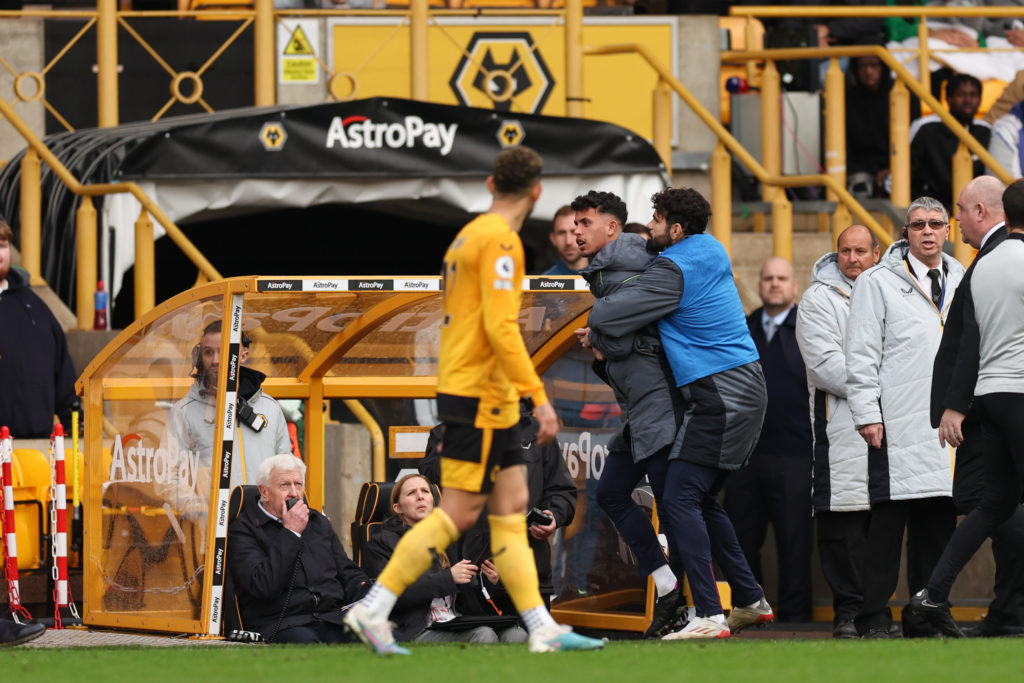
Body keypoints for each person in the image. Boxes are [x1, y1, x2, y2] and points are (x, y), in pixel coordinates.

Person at [344, 146, 603, 655]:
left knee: (509, 513)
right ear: (537, 192)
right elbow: (501, 327)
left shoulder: (465, 237)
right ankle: (373, 608)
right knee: (458, 514)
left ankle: (539, 624)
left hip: (477, 393)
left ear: (489, 184)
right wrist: (539, 398)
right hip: (482, 396)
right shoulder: (501, 242)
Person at [584, 187, 772, 640]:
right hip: (733, 388)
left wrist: (598, 322)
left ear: (676, 228)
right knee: (697, 499)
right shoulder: (705, 251)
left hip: (721, 390)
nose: (649, 225)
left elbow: (608, 315)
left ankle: (708, 613)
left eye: (656, 217)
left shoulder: (673, 267)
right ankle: (747, 598)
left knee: (681, 499)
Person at [570, 190, 688, 638]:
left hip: (662, 406)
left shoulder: (637, 263)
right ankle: (668, 583)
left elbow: (630, 337)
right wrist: (602, 343)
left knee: (678, 512)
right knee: (612, 494)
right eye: (573, 225)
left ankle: (696, 606)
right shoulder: (606, 272)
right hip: (640, 411)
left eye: (584, 222)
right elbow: (619, 347)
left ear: (612, 228)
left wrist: (600, 334)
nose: (576, 232)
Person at [846, 196, 965, 638]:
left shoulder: (962, 278)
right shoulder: (877, 281)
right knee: (885, 531)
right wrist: (866, 414)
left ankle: (923, 615)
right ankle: (872, 617)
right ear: (905, 233)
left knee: (936, 525)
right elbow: (859, 354)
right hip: (893, 423)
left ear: (948, 231)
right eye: (918, 225)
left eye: (936, 223)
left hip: (944, 427)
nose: (928, 231)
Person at [912, 177, 1024, 638]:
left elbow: (972, 341)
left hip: (990, 398)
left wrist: (957, 404)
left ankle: (932, 594)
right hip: (1018, 392)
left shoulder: (985, 265)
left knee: (994, 504)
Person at [795, 225, 881, 639]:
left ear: (877, 254)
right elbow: (825, 367)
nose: (853, 258)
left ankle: (875, 613)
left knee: (880, 527)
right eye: (845, 251)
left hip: (891, 426)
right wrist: (888, 384)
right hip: (838, 431)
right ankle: (847, 613)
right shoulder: (817, 300)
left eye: (861, 251)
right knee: (841, 528)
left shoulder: (893, 292)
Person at [421, 398, 578, 610]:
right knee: (480, 638)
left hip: (528, 565)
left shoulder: (535, 431)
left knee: (530, 639)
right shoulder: (445, 434)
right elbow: (431, 489)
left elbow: (561, 489)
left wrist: (553, 516)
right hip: (469, 567)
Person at [725, 257, 813, 624]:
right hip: (744, 456)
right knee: (742, 541)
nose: (774, 284)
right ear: (759, 285)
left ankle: (795, 618)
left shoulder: (810, 329)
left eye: (782, 278)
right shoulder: (742, 329)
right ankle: (750, 614)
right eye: (768, 278)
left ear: (795, 287)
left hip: (796, 454)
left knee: (795, 544)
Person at [363, 473, 527, 644]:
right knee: (483, 635)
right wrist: (447, 578)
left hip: (457, 620)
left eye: (425, 492)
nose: (420, 496)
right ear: (398, 508)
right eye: (411, 493)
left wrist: (491, 583)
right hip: (416, 627)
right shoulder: (381, 543)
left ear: (433, 501)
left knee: (517, 635)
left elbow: (469, 597)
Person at [227, 454, 368, 643]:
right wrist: (290, 533)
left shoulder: (318, 522)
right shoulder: (244, 529)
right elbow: (263, 586)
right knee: (308, 647)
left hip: (332, 618)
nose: (294, 493)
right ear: (265, 492)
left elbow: (346, 571)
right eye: (284, 485)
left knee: (388, 639)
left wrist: (366, 592)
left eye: (298, 485)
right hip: (282, 623)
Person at [168, 320, 291, 490]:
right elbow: (169, 477)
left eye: (224, 351)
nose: (215, 360)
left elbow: (287, 472)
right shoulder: (184, 411)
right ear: (200, 357)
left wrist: (274, 514)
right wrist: (201, 513)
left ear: (243, 356)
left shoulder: (270, 408)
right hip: (213, 517)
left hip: (262, 516)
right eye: (208, 352)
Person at [0, 218, 77, 439]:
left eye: (3, 245)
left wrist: (72, 418)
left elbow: (61, 365)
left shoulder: (34, 306)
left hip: (35, 443)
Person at [910, 73, 992, 210]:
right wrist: (931, 207)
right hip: (930, 208)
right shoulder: (925, 127)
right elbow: (910, 174)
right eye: (961, 95)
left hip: (975, 210)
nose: (968, 100)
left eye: (973, 95)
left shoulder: (985, 131)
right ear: (948, 99)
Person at [541, 205, 588, 275]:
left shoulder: (604, 278)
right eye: (561, 233)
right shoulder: (544, 283)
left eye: (574, 232)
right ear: (553, 239)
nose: (568, 242)